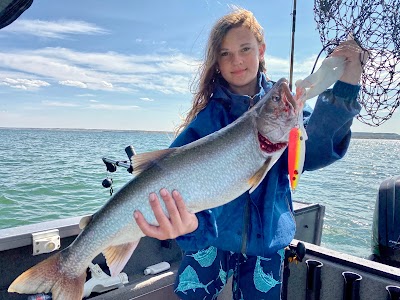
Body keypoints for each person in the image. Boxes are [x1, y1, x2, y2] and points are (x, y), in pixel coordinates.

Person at [133, 8, 367, 300]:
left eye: (245, 49)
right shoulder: (206, 122)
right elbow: (170, 180)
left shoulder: (284, 110)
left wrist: (348, 84)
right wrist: (188, 231)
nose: (237, 60)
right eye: (225, 53)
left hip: (266, 243)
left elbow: (317, 149)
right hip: (210, 240)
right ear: (216, 62)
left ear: (261, 50)